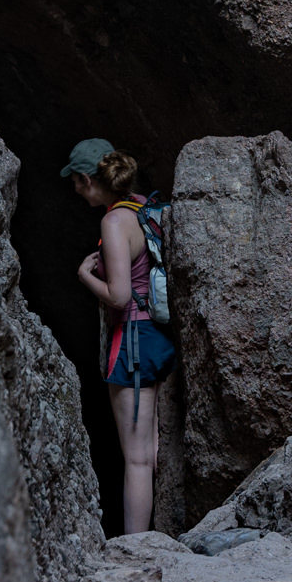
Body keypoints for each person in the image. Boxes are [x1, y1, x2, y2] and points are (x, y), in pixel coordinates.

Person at [62, 136, 175, 534]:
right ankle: (165, 531)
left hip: (132, 343)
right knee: (158, 448)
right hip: (160, 335)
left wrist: (83, 276)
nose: (74, 190)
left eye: (75, 182)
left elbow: (119, 296)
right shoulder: (146, 207)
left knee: (137, 458)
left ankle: (134, 550)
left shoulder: (113, 222)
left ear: (87, 180)